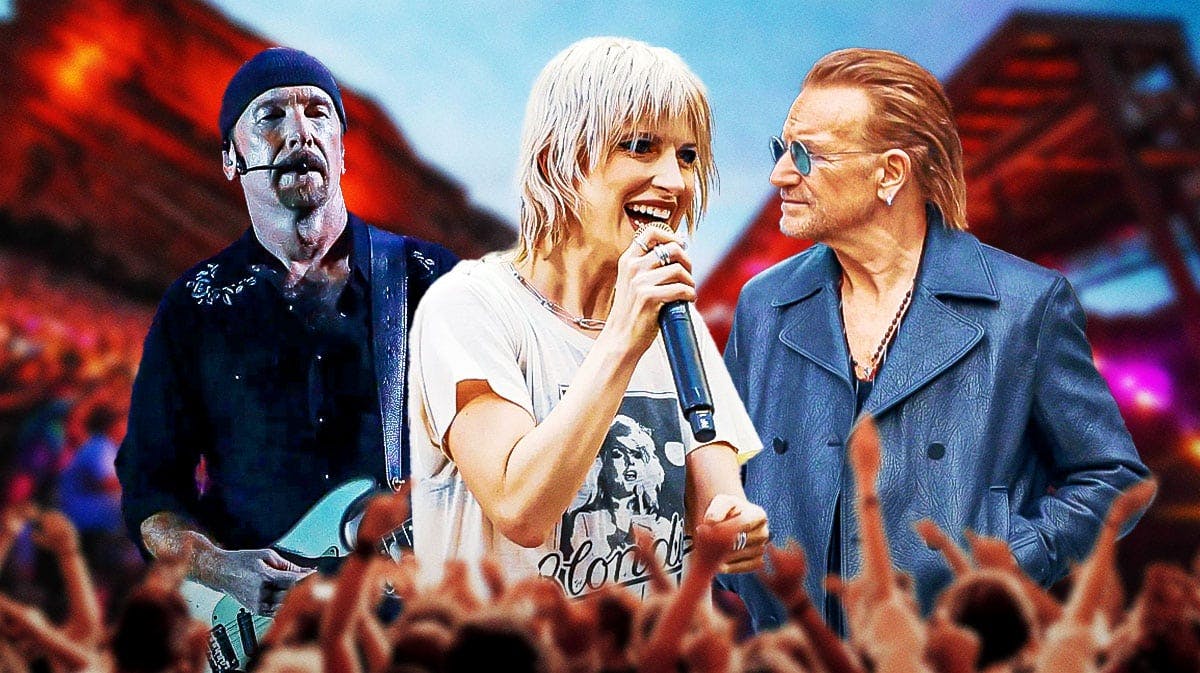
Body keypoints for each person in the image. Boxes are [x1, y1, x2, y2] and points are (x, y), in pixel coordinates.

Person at [719, 48, 1150, 632]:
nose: (780, 174)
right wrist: (739, 567)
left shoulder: (1026, 305)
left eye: (807, 154)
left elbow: (1113, 478)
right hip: (788, 649)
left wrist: (1006, 567)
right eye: (781, 149)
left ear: (890, 172)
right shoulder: (764, 303)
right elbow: (723, 467)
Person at [409, 37, 767, 599]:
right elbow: (521, 509)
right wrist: (624, 339)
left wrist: (734, 528)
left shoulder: (674, 317)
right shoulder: (469, 308)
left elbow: (717, 504)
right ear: (559, 160)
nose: (675, 182)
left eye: (688, 155)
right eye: (641, 147)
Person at [115, 47, 458, 616]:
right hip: (259, 634)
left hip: (407, 621)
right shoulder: (194, 305)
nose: (299, 131)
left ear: (343, 152)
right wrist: (218, 568)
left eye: (319, 113)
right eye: (270, 115)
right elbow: (151, 489)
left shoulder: (429, 279)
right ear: (230, 157)